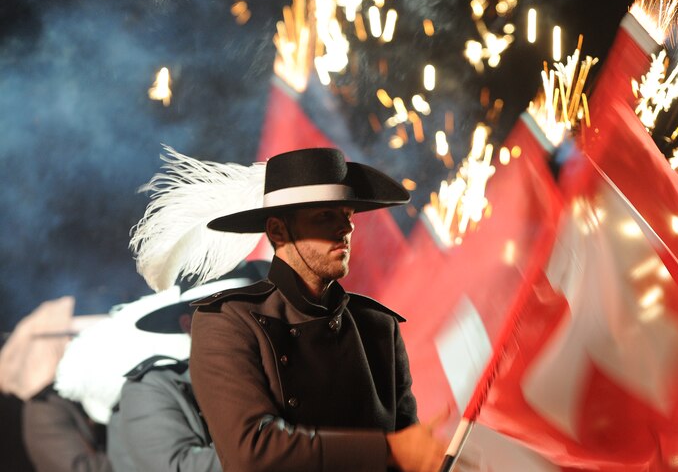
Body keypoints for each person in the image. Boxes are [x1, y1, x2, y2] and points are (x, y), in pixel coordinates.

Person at [187, 148, 448, 471]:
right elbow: (251, 452)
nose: (346, 229)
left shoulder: (378, 326)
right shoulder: (228, 321)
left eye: (347, 215)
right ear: (278, 231)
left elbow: (412, 451)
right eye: (325, 216)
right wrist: (388, 450)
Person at [107, 261, 268, 472]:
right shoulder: (152, 388)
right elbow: (179, 466)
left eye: (252, 312)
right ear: (187, 325)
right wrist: (281, 449)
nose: (242, 324)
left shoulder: (277, 371)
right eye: (225, 315)